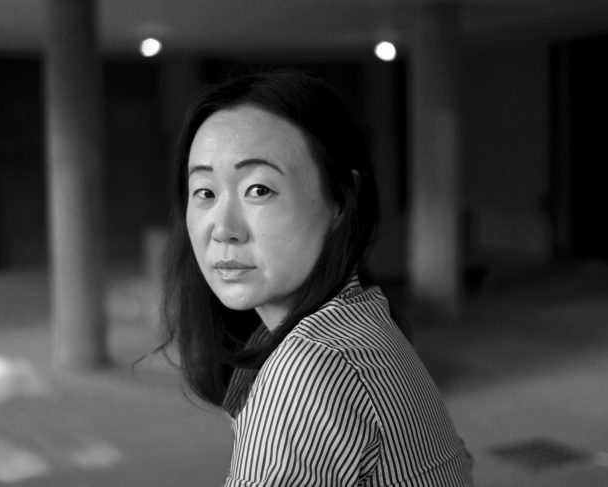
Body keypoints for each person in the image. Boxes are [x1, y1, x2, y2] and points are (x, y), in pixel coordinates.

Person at [158, 69, 473, 486]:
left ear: (341, 198)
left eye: (259, 189)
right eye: (205, 192)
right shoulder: (364, 314)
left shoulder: (308, 368)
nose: (222, 228)